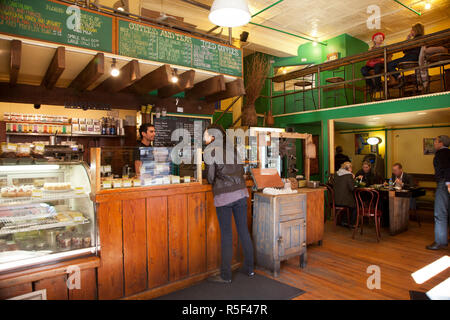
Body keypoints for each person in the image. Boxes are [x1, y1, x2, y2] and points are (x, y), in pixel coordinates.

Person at [204, 124, 254, 283]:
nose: (204, 137)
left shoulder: (211, 151)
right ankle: (250, 268)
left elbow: (210, 178)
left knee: (226, 235)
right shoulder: (232, 149)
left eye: (206, 134)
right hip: (240, 193)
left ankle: (225, 275)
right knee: (243, 231)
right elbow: (241, 171)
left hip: (224, 196)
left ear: (212, 136)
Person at [426, 135, 450, 250]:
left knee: (440, 214)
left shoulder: (441, 154)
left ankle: (440, 241)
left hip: (444, 184)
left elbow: (447, 168)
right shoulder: (448, 153)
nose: (434, 143)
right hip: (446, 183)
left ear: (441, 143)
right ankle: (444, 238)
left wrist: (448, 183)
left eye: (435, 141)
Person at [387, 23, 425, 88]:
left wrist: (407, 39)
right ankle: (400, 78)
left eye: (412, 30)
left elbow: (404, 50)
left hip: (410, 57)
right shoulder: (422, 38)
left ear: (416, 30)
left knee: (389, 64)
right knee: (390, 64)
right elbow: (405, 51)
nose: (411, 32)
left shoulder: (415, 39)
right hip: (416, 58)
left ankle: (400, 78)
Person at [333, 162, 357, 226]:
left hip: (335, 199)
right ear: (348, 168)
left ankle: (343, 221)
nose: (352, 169)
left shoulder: (336, 174)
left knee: (348, 199)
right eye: (351, 167)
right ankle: (351, 223)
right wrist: (353, 178)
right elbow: (352, 188)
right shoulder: (349, 175)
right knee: (356, 205)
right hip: (344, 201)